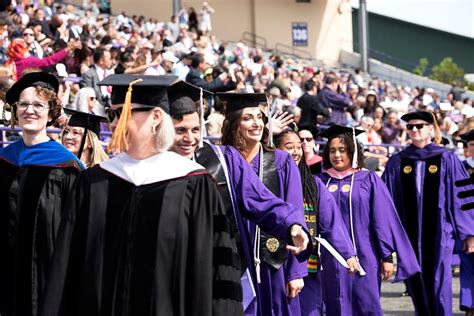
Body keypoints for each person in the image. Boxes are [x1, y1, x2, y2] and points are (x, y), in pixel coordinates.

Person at [41, 74, 246, 315]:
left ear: (156, 117)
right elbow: (68, 270)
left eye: (123, 113)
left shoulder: (194, 184)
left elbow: (217, 276)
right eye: (111, 114)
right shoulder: (94, 182)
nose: (114, 123)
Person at [167, 81, 311, 315]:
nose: (190, 138)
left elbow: (259, 198)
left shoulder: (220, 159)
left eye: (195, 130)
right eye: (180, 130)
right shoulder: (143, 171)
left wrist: (292, 224)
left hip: (227, 267)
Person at [0, 72, 84, 316]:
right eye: (24, 104)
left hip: (45, 272)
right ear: (15, 111)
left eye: (38, 105)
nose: (30, 110)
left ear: (51, 112)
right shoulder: (5, 160)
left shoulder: (67, 166)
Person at [218, 92, 309, 315]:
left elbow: (295, 209)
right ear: (233, 123)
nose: (257, 123)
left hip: (274, 261)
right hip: (234, 259)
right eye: (248, 117)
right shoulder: (222, 161)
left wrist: (296, 272)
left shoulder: (281, 161)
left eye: (260, 117)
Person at [318, 124, 420, 315]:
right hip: (330, 258)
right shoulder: (320, 181)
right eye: (332, 151)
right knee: (335, 305)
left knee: (366, 305)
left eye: (342, 150)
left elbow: (382, 219)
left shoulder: (368, 179)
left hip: (366, 255)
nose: (337, 155)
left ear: (354, 151)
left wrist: (386, 256)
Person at [382, 111, 474, 315]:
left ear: (431, 129)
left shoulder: (447, 158)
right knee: (416, 285)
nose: (414, 130)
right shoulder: (398, 161)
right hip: (409, 236)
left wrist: (469, 233)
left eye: (419, 126)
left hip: (441, 234)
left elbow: (462, 198)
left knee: (439, 283)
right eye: (410, 127)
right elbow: (385, 202)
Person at [274, 127, 360, 316]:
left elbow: (331, 223)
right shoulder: (268, 183)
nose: (296, 151)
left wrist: (348, 254)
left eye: (298, 147)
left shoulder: (314, 185)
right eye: (289, 147)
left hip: (307, 269)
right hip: (274, 265)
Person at [458, 130, 474, 315]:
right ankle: (470, 306)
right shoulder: (461, 169)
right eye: (471, 144)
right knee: (469, 269)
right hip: (467, 227)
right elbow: (459, 204)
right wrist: (470, 232)